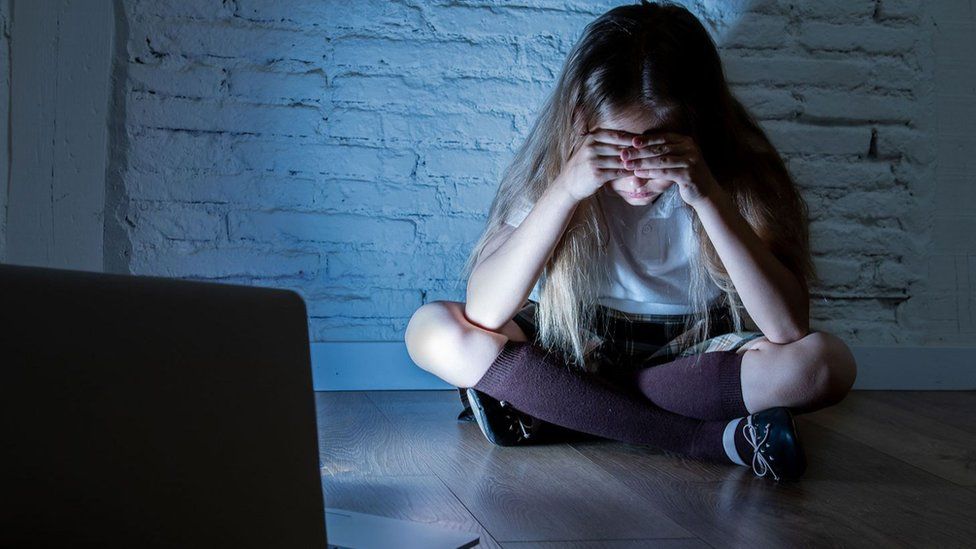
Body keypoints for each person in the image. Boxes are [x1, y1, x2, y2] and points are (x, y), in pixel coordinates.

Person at [404, 0, 857, 482]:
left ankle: (560, 406)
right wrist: (567, 190)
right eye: (617, 150)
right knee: (432, 330)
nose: (638, 176)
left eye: (661, 150)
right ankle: (710, 439)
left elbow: (788, 329)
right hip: (576, 342)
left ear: (698, 128)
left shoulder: (739, 175)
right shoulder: (557, 170)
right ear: (582, 123)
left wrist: (706, 196)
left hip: (694, 352)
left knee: (825, 365)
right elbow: (486, 312)